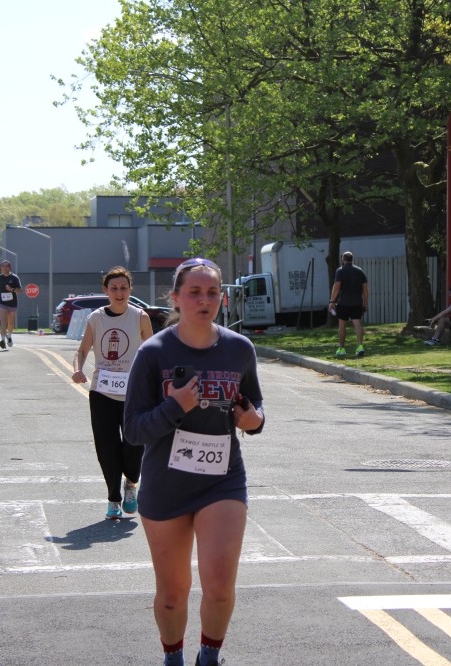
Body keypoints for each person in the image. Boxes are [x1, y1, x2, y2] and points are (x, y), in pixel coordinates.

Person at [123, 257, 264, 666]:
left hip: (222, 480)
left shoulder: (239, 349)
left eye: (213, 292)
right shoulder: (153, 353)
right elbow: (132, 430)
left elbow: (254, 404)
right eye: (195, 292)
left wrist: (254, 421)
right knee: (173, 594)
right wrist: (174, 406)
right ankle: (173, 657)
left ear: (222, 297)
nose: (205, 300)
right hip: (166, 483)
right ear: (176, 298)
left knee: (219, 587)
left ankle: (209, 656)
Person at [71, 266, 153, 520]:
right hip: (102, 392)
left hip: (134, 393)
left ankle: (131, 482)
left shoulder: (140, 317)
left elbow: (152, 351)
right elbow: (82, 350)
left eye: (123, 288)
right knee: (107, 448)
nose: (119, 293)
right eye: (114, 288)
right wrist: (78, 369)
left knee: (133, 446)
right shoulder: (96, 318)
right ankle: (113, 499)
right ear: (105, 290)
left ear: (130, 290)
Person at [329, 251, 369, 358]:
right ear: (352, 259)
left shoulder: (340, 271)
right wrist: (365, 303)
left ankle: (342, 348)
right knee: (357, 323)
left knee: (342, 325)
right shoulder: (360, 271)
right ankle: (360, 346)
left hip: (343, 303)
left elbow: (337, 287)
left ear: (343, 259)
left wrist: (332, 301)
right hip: (357, 302)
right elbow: (365, 289)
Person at [0, 260, 22, 350]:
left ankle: (9, 336)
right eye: (3, 266)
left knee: (11, 322)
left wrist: (11, 289)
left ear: (9, 267)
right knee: (3, 321)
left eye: (6, 266)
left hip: (12, 303)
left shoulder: (14, 278)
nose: (4, 268)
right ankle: (2, 340)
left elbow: (20, 291)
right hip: (2, 302)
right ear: (1, 268)